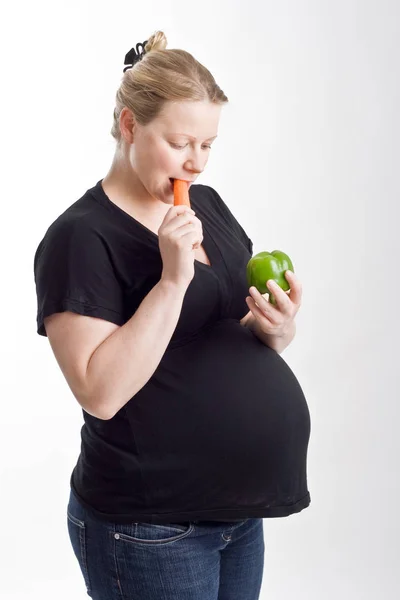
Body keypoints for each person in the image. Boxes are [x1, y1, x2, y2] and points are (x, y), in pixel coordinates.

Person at [33, 31, 311, 600]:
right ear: (130, 125)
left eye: (208, 145)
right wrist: (172, 280)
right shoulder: (79, 239)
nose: (197, 162)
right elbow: (99, 392)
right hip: (150, 527)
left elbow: (215, 338)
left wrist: (270, 329)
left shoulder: (204, 206)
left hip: (237, 517)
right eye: (182, 142)